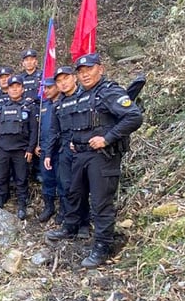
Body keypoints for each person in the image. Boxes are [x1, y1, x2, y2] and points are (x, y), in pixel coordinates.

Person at [46, 53, 143, 267]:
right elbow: (76, 123)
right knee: (74, 192)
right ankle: (71, 226)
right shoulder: (81, 95)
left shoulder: (108, 92)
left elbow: (134, 116)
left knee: (100, 202)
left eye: (89, 69)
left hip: (102, 157)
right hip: (81, 154)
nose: (85, 74)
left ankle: (102, 246)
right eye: (81, 72)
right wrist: (74, 140)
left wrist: (107, 138)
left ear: (100, 68)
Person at [44, 66, 91, 235]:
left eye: (66, 79)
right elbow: (53, 132)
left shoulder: (86, 97)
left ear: (74, 78)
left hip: (85, 150)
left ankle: (84, 224)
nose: (63, 83)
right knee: (67, 187)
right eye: (59, 81)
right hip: (65, 151)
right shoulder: (58, 105)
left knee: (83, 186)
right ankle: (70, 225)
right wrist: (48, 154)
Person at [0, 75, 38, 219]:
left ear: (22, 89)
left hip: (21, 150)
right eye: (12, 87)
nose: (14, 89)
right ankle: (0, 200)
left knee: (21, 179)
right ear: (9, 89)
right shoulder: (2, 107)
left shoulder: (29, 107)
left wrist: (30, 149)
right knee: (1, 177)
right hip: (3, 149)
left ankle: (22, 205)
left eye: (17, 86)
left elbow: (34, 130)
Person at [35, 81, 63, 223]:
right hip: (45, 150)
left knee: (63, 181)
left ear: (58, 87)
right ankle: (49, 207)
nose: (46, 90)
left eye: (49, 87)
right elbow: (39, 127)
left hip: (60, 149)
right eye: (44, 87)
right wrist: (37, 144)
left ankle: (63, 211)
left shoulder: (64, 102)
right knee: (47, 180)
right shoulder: (43, 106)